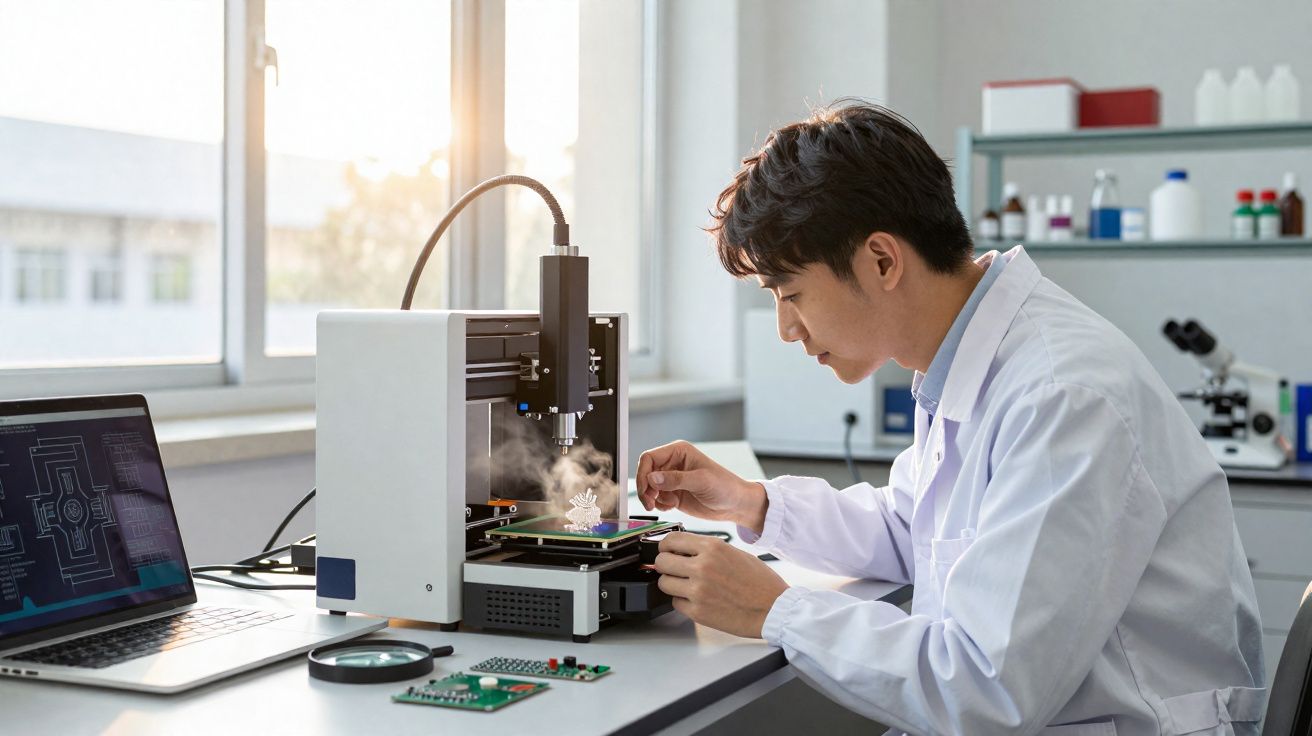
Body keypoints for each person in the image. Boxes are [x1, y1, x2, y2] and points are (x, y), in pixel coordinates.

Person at [635, 101, 1265, 736]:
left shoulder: (1060, 396)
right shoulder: (967, 363)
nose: (786, 328)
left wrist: (776, 609)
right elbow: (913, 527)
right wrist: (751, 505)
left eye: (791, 293)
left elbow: (987, 689)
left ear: (882, 261)